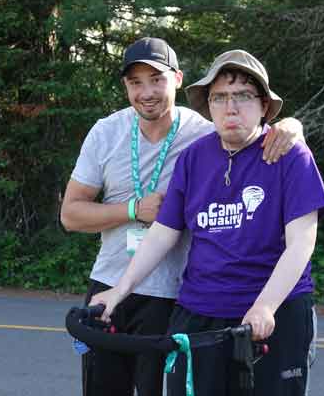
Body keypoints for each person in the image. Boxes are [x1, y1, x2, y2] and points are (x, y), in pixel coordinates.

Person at [60, 38, 306, 396]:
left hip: (173, 294)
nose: (146, 92)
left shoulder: (204, 134)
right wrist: (132, 211)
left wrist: (293, 127)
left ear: (176, 79)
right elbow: (74, 215)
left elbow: (255, 129)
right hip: (115, 282)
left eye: (156, 79)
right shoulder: (110, 133)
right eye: (135, 82)